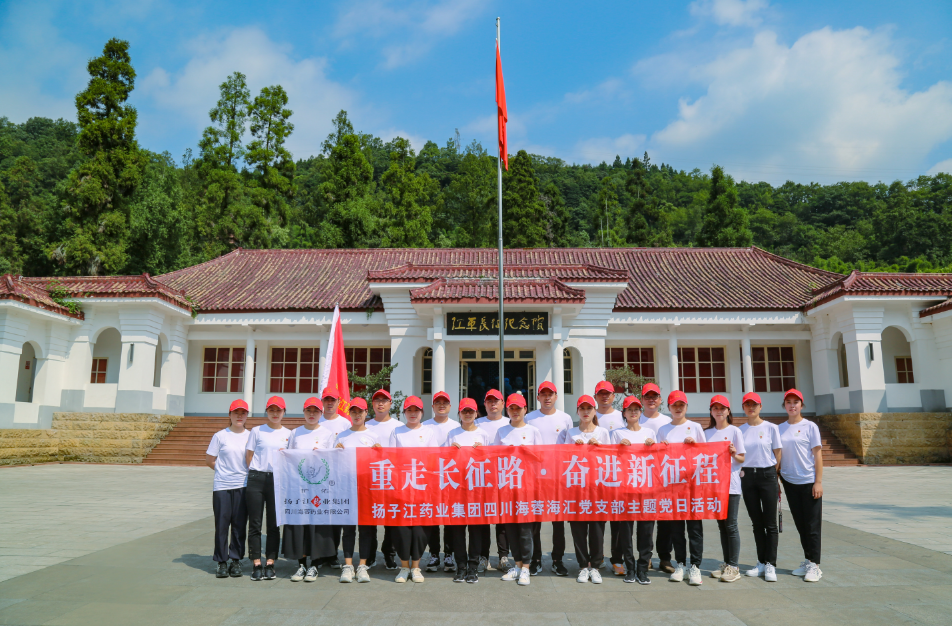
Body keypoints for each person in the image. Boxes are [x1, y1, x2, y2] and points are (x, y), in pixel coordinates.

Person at [283, 395, 338, 582]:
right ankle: (300, 564)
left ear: (321, 413)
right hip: (298, 487)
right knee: (299, 525)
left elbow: (332, 459)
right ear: (304, 413)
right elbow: (288, 457)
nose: (312, 414)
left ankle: (315, 564)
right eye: (309, 411)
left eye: (316, 411)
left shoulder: (327, 433)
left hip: (318, 487)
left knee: (317, 525)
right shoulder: (295, 433)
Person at [492, 393, 543, 586]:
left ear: (525, 410)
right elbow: (494, 457)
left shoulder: (533, 431)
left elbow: (541, 459)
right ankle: (517, 564)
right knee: (510, 529)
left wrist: (527, 452)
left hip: (527, 488)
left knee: (524, 529)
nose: (515, 411)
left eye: (518, 408)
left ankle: (526, 568)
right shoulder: (502, 431)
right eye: (512, 408)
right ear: (508, 410)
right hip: (507, 487)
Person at [558, 395, 610, 584]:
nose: (586, 412)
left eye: (590, 408)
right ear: (578, 411)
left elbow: (611, 460)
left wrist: (600, 447)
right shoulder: (571, 433)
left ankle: (595, 565)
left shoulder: (603, 432)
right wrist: (573, 447)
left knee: (597, 529)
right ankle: (582, 565)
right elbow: (563, 459)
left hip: (597, 489)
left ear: (595, 411)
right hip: (576, 489)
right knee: (578, 528)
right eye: (582, 408)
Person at [389, 396, 440, 583]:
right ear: (404, 413)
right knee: (402, 529)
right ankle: (404, 567)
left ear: (422, 413)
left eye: (416, 410)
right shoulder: (397, 432)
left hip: (422, 488)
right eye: (409, 410)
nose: (413, 414)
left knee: (420, 529)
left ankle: (416, 567)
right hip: (401, 488)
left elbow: (433, 460)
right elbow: (392, 460)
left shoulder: (429, 432)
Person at [657, 390, 706, 586]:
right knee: (676, 529)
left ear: (686, 407)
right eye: (674, 405)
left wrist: (694, 446)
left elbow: (706, 455)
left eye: (681, 405)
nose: (678, 408)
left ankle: (695, 566)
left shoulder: (694, 427)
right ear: (668, 407)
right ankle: (680, 564)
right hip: (672, 487)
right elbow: (657, 460)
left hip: (693, 485)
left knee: (694, 528)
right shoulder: (663, 430)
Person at [525, 381, 574, 576]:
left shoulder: (566, 418)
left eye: (550, 394)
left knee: (558, 521)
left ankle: (557, 559)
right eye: (543, 394)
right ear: (537, 397)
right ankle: (536, 559)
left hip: (558, 478)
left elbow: (570, 446)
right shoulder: (529, 418)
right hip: (535, 477)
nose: (547, 397)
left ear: (556, 396)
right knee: (535, 520)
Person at [778, 388, 823, 583]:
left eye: (796, 402)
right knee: (800, 524)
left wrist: (818, 481)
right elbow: (777, 455)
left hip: (808, 481)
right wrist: (777, 478)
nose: (792, 405)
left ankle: (815, 565)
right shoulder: (779, 428)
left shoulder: (810, 426)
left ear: (801, 405)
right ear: (784, 405)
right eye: (789, 402)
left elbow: (818, 455)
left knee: (812, 525)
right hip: (789, 481)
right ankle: (807, 560)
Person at [244, 396, 291, 581]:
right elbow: (249, 455)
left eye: (278, 410)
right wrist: (257, 472)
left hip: (277, 480)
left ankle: (270, 561)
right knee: (255, 523)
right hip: (257, 477)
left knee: (273, 523)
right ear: (266, 411)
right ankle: (256, 562)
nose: (275, 413)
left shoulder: (289, 433)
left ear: (284, 412)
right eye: (271, 410)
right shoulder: (257, 431)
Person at [335, 397, 382, 583]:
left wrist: (379, 451)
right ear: (350, 413)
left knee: (366, 529)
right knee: (348, 529)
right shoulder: (341, 436)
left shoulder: (373, 436)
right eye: (353, 412)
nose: (357, 415)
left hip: (366, 489)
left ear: (365, 413)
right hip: (346, 488)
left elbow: (380, 463)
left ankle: (362, 565)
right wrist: (336, 450)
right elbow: (335, 463)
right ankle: (348, 565)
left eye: (360, 412)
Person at [445, 398, 492, 583]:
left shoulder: (483, 434)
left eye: (470, 411)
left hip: (477, 489)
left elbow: (492, 460)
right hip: (456, 489)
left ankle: (473, 567)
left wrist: (483, 451)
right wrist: (450, 450)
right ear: (459, 413)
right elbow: (443, 460)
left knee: (476, 530)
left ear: (476, 413)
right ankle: (461, 566)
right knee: (457, 530)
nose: (467, 414)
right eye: (464, 411)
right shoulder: (452, 434)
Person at [738, 392, 782, 582]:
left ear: (760, 407)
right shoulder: (740, 430)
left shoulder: (771, 428)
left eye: (754, 404)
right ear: (743, 408)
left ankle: (771, 564)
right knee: (757, 523)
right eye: (747, 405)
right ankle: (761, 562)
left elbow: (778, 453)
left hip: (767, 475)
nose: (751, 408)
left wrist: (773, 473)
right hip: (748, 477)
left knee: (770, 523)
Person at [612, 395, 655, 584]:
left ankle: (643, 568)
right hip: (625, 489)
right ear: (624, 413)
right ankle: (630, 567)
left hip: (646, 488)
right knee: (626, 530)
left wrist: (653, 447)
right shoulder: (617, 434)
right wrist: (619, 448)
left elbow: (660, 458)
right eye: (629, 409)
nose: (633, 412)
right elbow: (610, 459)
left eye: (636, 409)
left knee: (646, 530)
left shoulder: (650, 433)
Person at [206, 398, 251, 578]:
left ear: (247, 416)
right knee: (222, 525)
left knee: (239, 525)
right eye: (236, 413)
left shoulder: (251, 436)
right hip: (222, 487)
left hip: (243, 485)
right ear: (230, 415)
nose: (239, 416)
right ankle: (221, 562)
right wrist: (224, 471)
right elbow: (209, 460)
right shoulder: (220, 436)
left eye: (243, 413)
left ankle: (236, 560)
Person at [703, 395, 746, 583]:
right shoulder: (706, 433)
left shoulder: (735, 431)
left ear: (729, 411)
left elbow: (742, 459)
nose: (719, 411)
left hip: (731, 485)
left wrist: (734, 453)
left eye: (723, 408)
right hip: (713, 486)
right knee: (722, 526)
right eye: (715, 408)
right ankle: (727, 564)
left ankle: (734, 567)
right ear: (711, 412)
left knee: (731, 525)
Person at [421, 390, 460, 573]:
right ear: (433, 406)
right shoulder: (424, 426)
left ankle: (449, 554)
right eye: (438, 403)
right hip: (429, 477)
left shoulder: (456, 426)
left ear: (450, 407)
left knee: (450, 518)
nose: (441, 405)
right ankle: (434, 553)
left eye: (445, 403)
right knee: (432, 518)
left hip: (450, 478)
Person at [638, 383, 673, 573]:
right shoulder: (635, 419)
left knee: (665, 520)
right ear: (642, 400)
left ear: (660, 400)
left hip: (664, 478)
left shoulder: (667, 422)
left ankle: (665, 558)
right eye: (647, 397)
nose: (651, 400)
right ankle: (646, 556)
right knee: (646, 520)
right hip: (643, 477)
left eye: (655, 397)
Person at [365, 388, 401, 569]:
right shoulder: (366, 426)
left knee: (391, 519)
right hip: (369, 478)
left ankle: (389, 553)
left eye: (384, 400)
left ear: (390, 404)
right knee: (369, 518)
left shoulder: (398, 426)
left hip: (391, 478)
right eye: (377, 400)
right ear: (372, 404)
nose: (380, 403)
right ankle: (369, 555)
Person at [315, 389, 351, 570]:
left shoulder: (345, 423)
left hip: (339, 476)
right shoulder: (316, 419)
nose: (329, 403)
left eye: (333, 400)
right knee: (321, 517)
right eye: (326, 400)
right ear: (322, 401)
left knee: (336, 517)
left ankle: (333, 554)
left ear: (339, 402)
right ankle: (321, 553)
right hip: (318, 477)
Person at [475, 388, 510, 572]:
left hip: (504, 478)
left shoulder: (510, 422)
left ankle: (504, 556)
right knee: (483, 520)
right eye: (489, 401)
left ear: (503, 404)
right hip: (482, 478)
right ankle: (483, 557)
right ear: (485, 404)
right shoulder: (477, 423)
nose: (493, 404)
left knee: (503, 519)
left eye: (496, 401)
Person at [593, 380, 625, 575]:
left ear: (614, 396)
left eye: (608, 393)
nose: (605, 397)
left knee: (618, 520)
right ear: (595, 396)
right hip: (596, 478)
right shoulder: (588, 414)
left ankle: (617, 560)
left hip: (619, 476)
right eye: (601, 394)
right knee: (597, 520)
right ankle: (597, 559)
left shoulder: (622, 417)